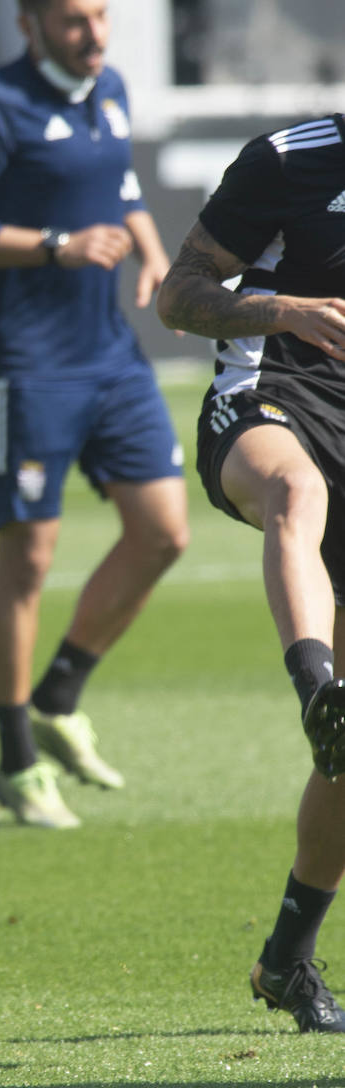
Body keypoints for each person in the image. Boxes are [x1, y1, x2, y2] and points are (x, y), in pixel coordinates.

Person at [0, 0, 188, 829]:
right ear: (29, 22)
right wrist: (54, 246)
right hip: (24, 361)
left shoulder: (105, 91)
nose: (94, 34)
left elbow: (119, 185)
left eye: (101, 16)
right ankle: (14, 760)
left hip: (109, 353)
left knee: (163, 531)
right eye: (75, 20)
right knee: (27, 561)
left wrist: (149, 248)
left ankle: (59, 691)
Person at [157, 115, 345, 1033]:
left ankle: (285, 961)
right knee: (295, 492)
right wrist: (289, 312)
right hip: (266, 398)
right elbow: (176, 295)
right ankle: (315, 681)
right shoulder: (289, 159)